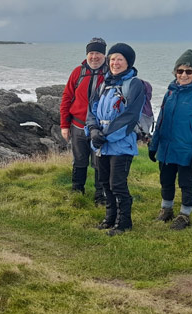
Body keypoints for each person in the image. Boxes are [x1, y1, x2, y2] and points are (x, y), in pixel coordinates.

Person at [149, 49, 192, 230]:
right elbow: (160, 119)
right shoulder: (170, 93)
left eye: (188, 71)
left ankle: (185, 215)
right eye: (180, 71)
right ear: (175, 72)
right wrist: (154, 144)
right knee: (166, 180)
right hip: (167, 148)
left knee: (186, 183)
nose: (183, 75)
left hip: (188, 149)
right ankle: (166, 209)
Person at [86, 43, 145, 236]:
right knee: (104, 182)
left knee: (117, 184)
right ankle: (110, 217)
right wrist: (93, 130)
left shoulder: (135, 84)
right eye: (112, 59)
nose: (115, 63)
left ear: (128, 63)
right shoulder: (105, 83)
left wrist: (104, 135)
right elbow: (91, 110)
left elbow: (130, 116)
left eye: (120, 59)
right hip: (102, 144)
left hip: (121, 145)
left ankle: (124, 222)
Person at [60, 37, 108, 205]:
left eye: (98, 53)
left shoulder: (110, 73)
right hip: (77, 125)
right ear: (87, 54)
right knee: (79, 160)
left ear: (104, 55)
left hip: (100, 128)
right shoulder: (78, 72)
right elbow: (66, 98)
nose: (94, 57)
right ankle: (77, 190)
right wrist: (64, 125)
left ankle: (100, 195)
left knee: (99, 162)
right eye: (91, 53)